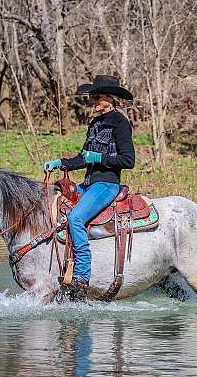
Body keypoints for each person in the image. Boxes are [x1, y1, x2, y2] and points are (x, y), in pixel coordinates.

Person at [43, 75, 135, 298]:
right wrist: (60, 163)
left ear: (109, 98)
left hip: (107, 184)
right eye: (91, 97)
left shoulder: (120, 123)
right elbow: (83, 158)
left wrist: (100, 157)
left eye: (96, 97)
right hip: (88, 184)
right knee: (55, 209)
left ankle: (82, 277)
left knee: (75, 218)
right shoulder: (94, 124)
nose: (92, 101)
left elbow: (128, 161)